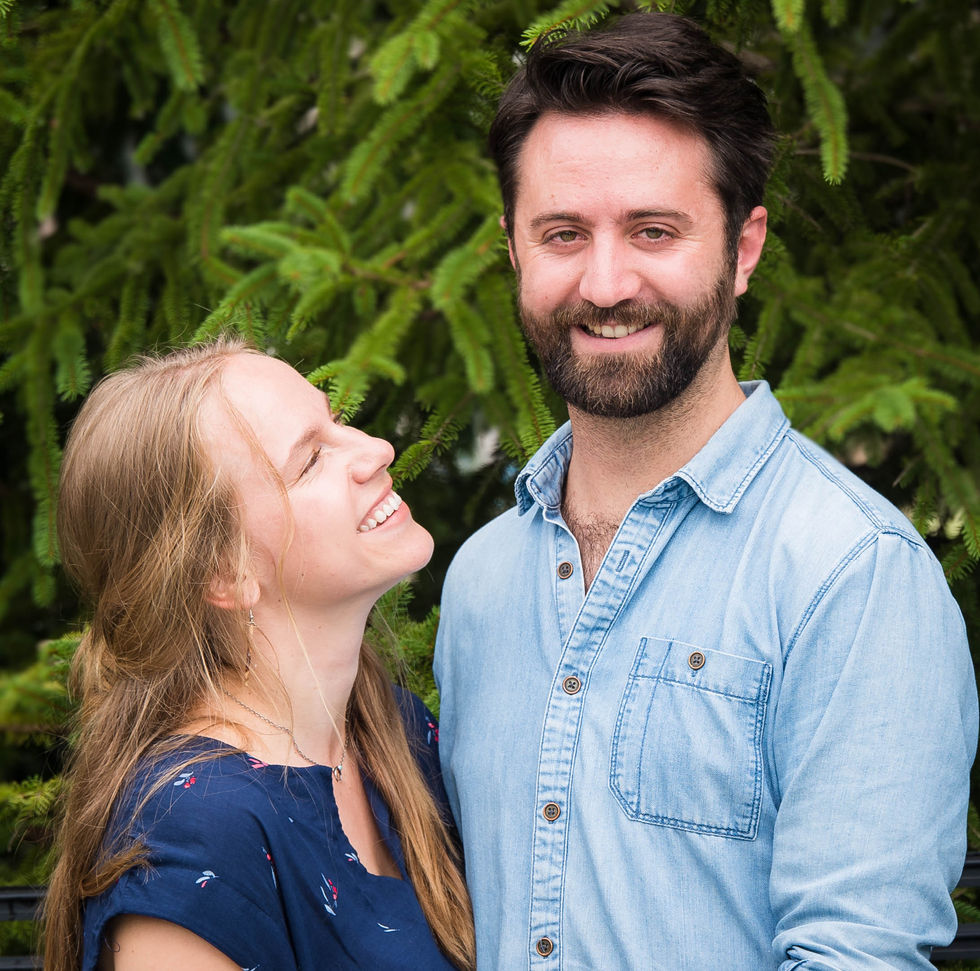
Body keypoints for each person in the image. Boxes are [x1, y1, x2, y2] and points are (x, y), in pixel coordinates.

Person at [434, 12, 977, 970]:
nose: (606, 284)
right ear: (514, 248)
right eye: (563, 234)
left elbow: (858, 955)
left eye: (654, 231)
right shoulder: (482, 579)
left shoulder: (852, 575)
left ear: (744, 247)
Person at [44, 339, 475, 971]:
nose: (377, 448)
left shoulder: (398, 733)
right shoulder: (194, 835)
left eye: (337, 419)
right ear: (224, 572)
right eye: (311, 460)